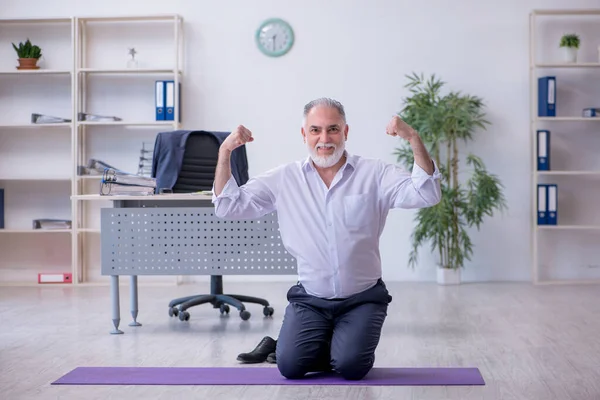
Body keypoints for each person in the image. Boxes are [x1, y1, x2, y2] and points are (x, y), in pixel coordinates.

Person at [212, 98, 442, 380]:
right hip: (311, 299)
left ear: (345, 132)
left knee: (351, 367)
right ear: (304, 135)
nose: (324, 139)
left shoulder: (375, 173)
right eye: (315, 130)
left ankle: (335, 345)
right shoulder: (285, 178)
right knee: (290, 368)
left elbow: (427, 193)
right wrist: (225, 152)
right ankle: (288, 347)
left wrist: (413, 138)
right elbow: (227, 206)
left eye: (333, 129)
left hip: (362, 298)